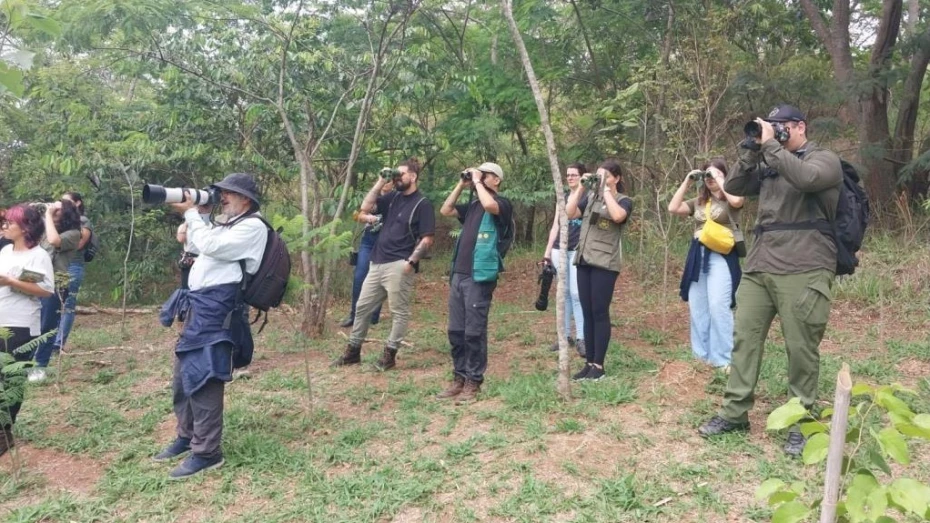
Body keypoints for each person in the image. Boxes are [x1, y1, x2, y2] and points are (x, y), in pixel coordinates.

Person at [697, 104, 842, 457]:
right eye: (770, 127)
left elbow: (806, 179)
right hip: (761, 264)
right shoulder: (768, 161)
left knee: (800, 347)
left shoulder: (825, 159)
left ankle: (802, 422)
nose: (774, 132)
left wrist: (772, 146)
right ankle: (735, 412)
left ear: (800, 127)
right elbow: (733, 187)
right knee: (744, 338)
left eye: (781, 127)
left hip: (805, 264)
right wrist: (749, 152)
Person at [153, 173, 267, 479]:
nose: (222, 197)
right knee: (182, 375)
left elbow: (213, 247)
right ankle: (186, 436)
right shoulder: (225, 224)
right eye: (221, 192)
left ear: (246, 199)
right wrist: (196, 220)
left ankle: (207, 452)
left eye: (229, 193)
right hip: (199, 305)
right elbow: (197, 247)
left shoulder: (253, 227)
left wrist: (192, 213)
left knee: (204, 377)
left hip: (219, 309)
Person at [332, 158, 435, 371]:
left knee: (399, 312)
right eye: (395, 174)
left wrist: (411, 262)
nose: (397, 178)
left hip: (399, 263)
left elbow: (427, 238)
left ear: (413, 176)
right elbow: (365, 207)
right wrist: (380, 183)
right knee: (362, 308)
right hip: (377, 262)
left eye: (401, 174)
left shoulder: (422, 204)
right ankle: (353, 352)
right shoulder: (393, 197)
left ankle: (389, 355)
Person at [436, 162, 513, 403]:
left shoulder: (501, 204)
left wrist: (478, 182)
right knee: (456, 331)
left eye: (485, 174)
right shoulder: (472, 206)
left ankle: (474, 381)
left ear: (496, 180)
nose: (479, 176)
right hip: (459, 275)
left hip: (479, 276)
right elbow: (445, 210)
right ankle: (459, 377)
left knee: (474, 331)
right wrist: (462, 183)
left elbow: (490, 205)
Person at [667, 159, 744, 370]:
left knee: (718, 306)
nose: (710, 179)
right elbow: (673, 207)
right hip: (698, 255)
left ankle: (723, 359)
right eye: (707, 176)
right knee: (698, 307)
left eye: (715, 175)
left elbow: (737, 202)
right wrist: (688, 181)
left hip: (721, 255)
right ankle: (701, 357)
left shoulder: (731, 197)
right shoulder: (699, 201)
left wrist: (720, 179)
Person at [566, 160, 633, 382]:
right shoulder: (589, 199)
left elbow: (618, 217)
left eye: (606, 175)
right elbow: (570, 212)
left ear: (617, 178)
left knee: (599, 312)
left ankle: (599, 365)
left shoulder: (624, 200)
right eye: (599, 175)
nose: (601, 178)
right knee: (586, 312)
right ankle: (588, 363)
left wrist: (605, 190)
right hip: (584, 260)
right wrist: (581, 188)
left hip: (605, 263)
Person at [0, 205, 54, 455]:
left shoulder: (38, 255)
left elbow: (46, 290)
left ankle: (5, 432)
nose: (4, 226)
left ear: (25, 228)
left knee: (12, 378)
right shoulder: (6, 251)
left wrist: (11, 281)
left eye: (9, 223)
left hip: (21, 323)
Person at [29, 199, 82, 382]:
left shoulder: (75, 233)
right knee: (28, 324)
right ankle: (23, 363)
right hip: (35, 279)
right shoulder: (46, 227)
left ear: (66, 213)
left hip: (56, 284)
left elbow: (54, 240)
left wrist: (47, 216)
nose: (51, 211)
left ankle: (40, 366)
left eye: (56, 209)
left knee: (47, 326)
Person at [543, 163, 586, 357]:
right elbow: (555, 226)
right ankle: (565, 336)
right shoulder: (562, 198)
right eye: (568, 175)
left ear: (582, 177)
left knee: (577, 293)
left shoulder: (588, 197)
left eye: (574, 175)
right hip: (559, 249)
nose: (570, 178)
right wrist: (547, 252)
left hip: (577, 250)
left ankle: (582, 338)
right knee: (564, 292)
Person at [338, 180, 394, 328]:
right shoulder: (373, 196)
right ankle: (354, 315)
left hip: (386, 242)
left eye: (389, 181)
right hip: (368, 241)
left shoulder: (397, 198)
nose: (385, 184)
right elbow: (358, 215)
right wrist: (368, 218)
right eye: (384, 181)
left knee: (379, 279)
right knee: (359, 276)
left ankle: (373, 316)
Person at [52, 192, 93, 355]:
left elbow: (78, 244)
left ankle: (58, 344)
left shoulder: (83, 221)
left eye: (66, 201)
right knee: (52, 304)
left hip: (73, 265)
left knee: (67, 305)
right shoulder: (57, 221)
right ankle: (49, 340)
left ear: (77, 203)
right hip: (56, 265)